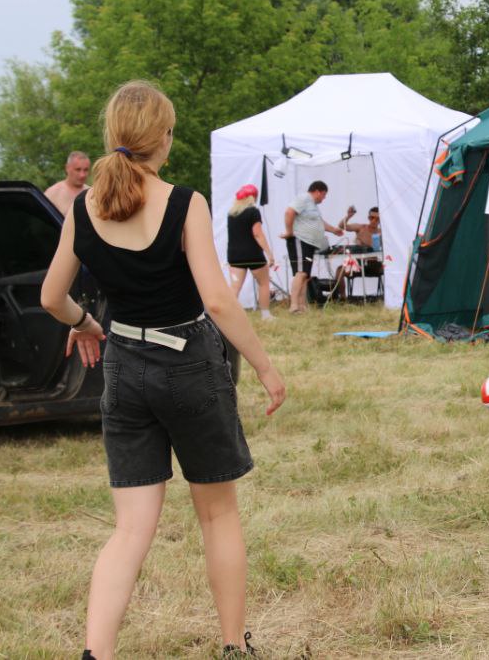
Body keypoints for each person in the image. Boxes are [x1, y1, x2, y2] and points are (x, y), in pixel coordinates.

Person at [39, 81, 286, 659]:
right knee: (218, 516)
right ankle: (233, 648)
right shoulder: (185, 202)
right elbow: (219, 301)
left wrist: (85, 323)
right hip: (189, 364)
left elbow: (51, 297)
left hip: (124, 366)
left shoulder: (83, 207)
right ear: (164, 137)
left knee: (130, 530)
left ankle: (95, 654)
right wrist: (265, 366)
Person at [281, 180, 343, 313]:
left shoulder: (313, 206)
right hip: (300, 240)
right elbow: (289, 212)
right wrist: (289, 232)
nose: (324, 198)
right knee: (301, 272)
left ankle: (302, 306)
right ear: (318, 191)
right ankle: (293, 305)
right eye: (324, 195)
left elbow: (319, 222)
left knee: (305, 275)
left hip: (309, 243)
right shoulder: (304, 198)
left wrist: (333, 230)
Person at [226, 184, 276, 320]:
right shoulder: (253, 212)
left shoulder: (231, 214)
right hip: (253, 254)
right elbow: (257, 234)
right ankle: (265, 314)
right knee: (264, 283)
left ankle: (229, 316)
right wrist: (269, 254)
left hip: (235, 256)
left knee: (235, 287)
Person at [330, 205, 383, 301]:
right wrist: (348, 216)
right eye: (372, 218)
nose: (374, 221)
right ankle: (343, 297)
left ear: (380, 220)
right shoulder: (361, 227)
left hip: (374, 265)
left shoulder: (382, 232)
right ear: (368, 218)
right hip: (358, 265)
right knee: (340, 270)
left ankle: (388, 297)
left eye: (377, 219)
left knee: (388, 268)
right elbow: (342, 226)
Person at [45, 151, 91, 216]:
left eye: (86, 170)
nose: (82, 175)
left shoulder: (92, 194)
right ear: (67, 168)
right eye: (78, 169)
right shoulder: (52, 194)